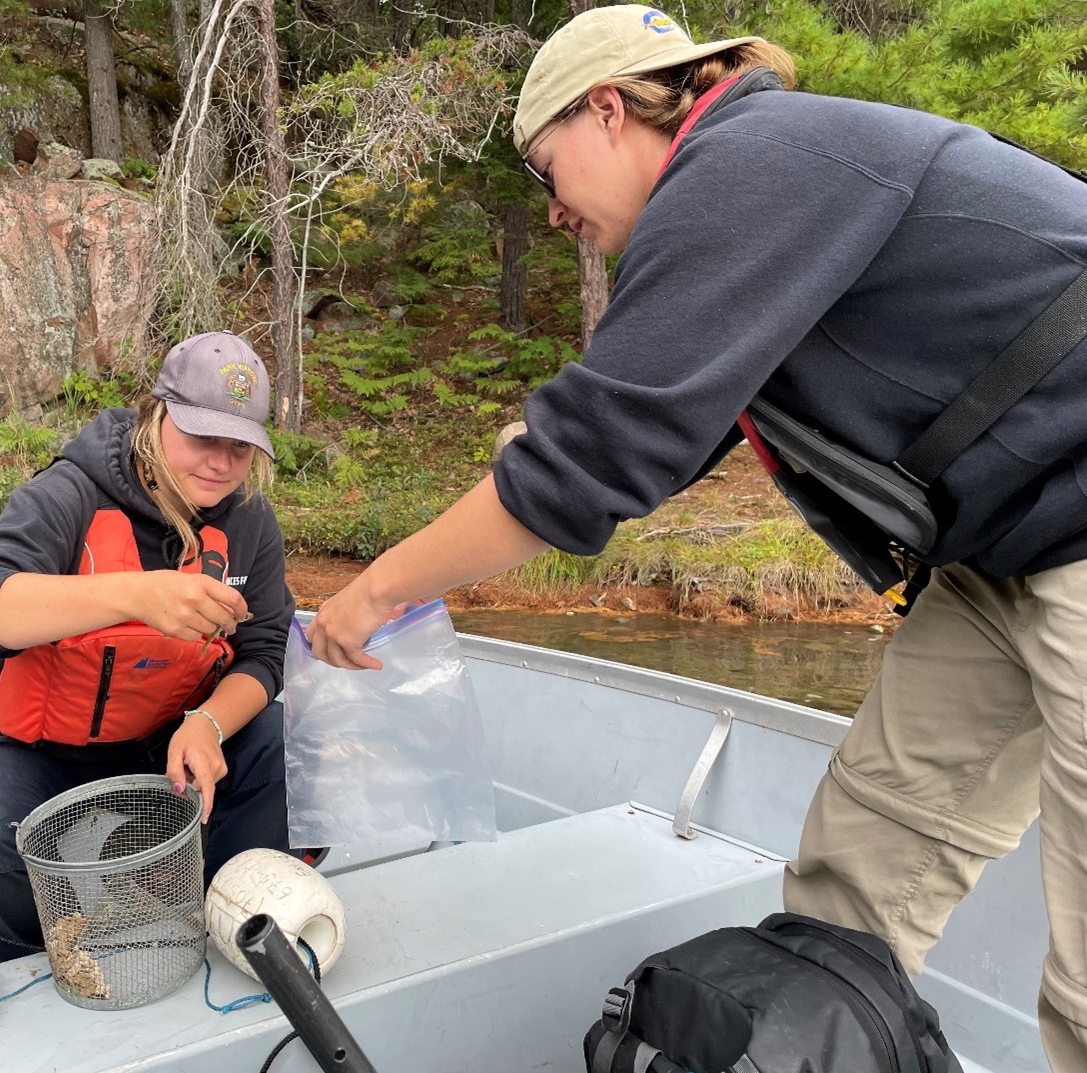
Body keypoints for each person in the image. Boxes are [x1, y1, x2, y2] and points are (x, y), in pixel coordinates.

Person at [306, 5, 1087, 1068]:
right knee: (851, 878)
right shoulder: (748, 200)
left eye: (545, 172)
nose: (549, 215)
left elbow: (593, 460)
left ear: (607, 108)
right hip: (1009, 546)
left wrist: (372, 590)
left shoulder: (748, 160)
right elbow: (646, 432)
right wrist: (545, 448)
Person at [0, 330, 296, 962]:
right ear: (157, 416)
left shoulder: (250, 523)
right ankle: (39, 978)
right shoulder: (71, 492)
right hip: (23, 747)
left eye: (240, 447)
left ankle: (239, 931)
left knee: (270, 739)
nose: (220, 464)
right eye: (202, 437)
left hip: (160, 744)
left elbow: (264, 651)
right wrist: (135, 596)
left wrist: (206, 723)